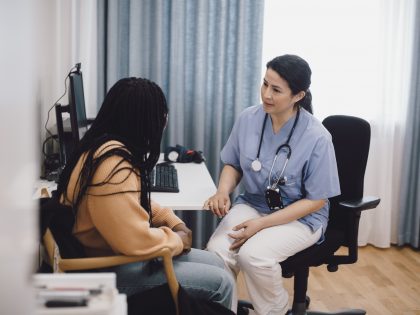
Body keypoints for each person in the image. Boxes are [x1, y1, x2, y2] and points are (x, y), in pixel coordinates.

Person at [56, 77, 235, 310]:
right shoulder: (113, 167)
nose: (164, 120)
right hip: (106, 270)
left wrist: (174, 223)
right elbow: (135, 242)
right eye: (162, 114)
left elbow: (134, 201)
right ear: (144, 120)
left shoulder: (104, 150)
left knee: (216, 263)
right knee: (221, 282)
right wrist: (177, 239)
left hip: (113, 256)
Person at [204, 54, 341, 315]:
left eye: (276, 89)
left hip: (302, 217)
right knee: (218, 251)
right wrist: (223, 191)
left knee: (254, 255)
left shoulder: (317, 137)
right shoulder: (248, 119)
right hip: (254, 203)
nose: (266, 94)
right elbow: (233, 163)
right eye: (265, 84)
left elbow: (317, 200)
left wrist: (261, 225)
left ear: (298, 96)